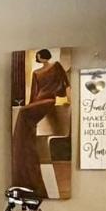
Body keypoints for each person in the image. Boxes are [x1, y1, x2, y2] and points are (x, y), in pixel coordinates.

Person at [10, 49, 68, 197]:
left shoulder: (56, 66)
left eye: (38, 56)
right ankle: (25, 159)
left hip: (48, 100)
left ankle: (24, 144)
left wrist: (67, 100)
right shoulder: (36, 73)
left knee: (23, 113)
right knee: (23, 111)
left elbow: (65, 86)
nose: (37, 58)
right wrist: (30, 105)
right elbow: (34, 95)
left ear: (43, 56)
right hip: (38, 101)